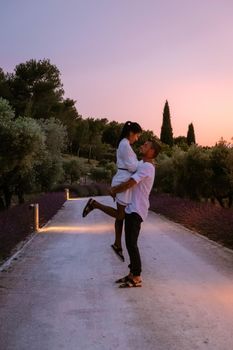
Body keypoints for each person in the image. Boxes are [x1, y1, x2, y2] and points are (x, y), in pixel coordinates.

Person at [83, 139, 161, 288]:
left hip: (137, 209)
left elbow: (130, 183)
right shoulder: (141, 164)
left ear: (152, 152)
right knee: (129, 243)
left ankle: (137, 276)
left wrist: (114, 190)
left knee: (132, 243)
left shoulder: (148, 167)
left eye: (146, 145)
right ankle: (132, 273)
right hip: (131, 207)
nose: (142, 146)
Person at [83, 121, 142, 262]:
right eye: (137, 135)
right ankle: (94, 204)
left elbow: (131, 166)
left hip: (122, 179)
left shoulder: (124, 144)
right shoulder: (125, 145)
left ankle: (117, 244)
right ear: (131, 133)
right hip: (122, 181)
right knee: (121, 215)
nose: (137, 138)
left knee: (120, 215)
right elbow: (133, 167)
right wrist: (143, 164)